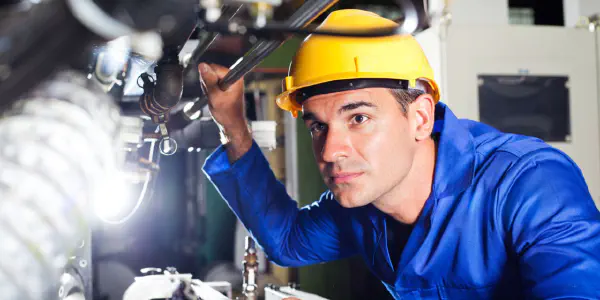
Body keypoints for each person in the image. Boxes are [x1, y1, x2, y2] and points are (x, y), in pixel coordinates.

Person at [199, 9, 600, 299]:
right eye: (318, 126)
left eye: (358, 118)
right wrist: (233, 125)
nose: (332, 151)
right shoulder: (361, 201)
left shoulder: (530, 183)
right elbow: (287, 241)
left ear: (420, 118)